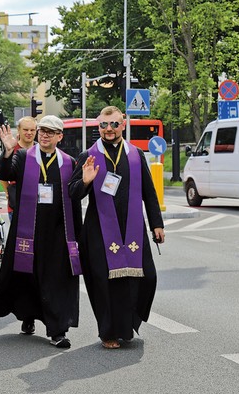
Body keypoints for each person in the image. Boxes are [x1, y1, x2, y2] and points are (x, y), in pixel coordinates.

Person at [68, 106, 165, 349]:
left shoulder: (136, 154)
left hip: (132, 227)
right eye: (103, 125)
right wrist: (86, 181)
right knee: (105, 282)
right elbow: (73, 193)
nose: (108, 129)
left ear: (123, 125)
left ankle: (129, 322)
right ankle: (109, 332)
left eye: (113, 124)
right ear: (97, 127)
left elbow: (149, 193)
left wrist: (157, 224)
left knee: (147, 277)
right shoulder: (87, 156)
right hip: (99, 229)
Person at [0, 115, 82, 348]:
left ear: (60, 136)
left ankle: (57, 329)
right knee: (28, 275)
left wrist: (78, 234)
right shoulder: (24, 157)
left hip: (57, 231)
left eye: (50, 131)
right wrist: (7, 152)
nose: (45, 134)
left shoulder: (69, 162)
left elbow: (74, 199)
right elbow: (5, 173)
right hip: (29, 228)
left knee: (57, 279)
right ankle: (28, 316)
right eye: (42, 130)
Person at [0, 116, 37, 220]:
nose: (29, 133)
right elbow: (1, 173)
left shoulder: (40, 149)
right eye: (25, 130)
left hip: (37, 205)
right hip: (16, 206)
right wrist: (8, 190)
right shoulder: (11, 149)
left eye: (32, 130)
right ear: (18, 130)